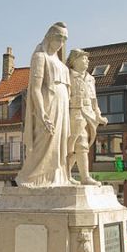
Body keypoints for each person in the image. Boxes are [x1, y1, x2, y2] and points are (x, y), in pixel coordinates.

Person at [16, 22, 71, 187]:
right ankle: (32, 178)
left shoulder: (61, 64)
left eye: (65, 38)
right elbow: (35, 89)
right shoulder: (40, 57)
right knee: (45, 140)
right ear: (49, 37)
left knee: (60, 142)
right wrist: (41, 113)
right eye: (59, 37)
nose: (61, 42)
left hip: (62, 105)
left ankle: (58, 177)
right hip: (49, 103)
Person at [66, 48, 108, 185]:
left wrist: (99, 115)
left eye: (87, 58)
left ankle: (72, 175)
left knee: (83, 145)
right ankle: (81, 177)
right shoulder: (68, 75)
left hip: (89, 113)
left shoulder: (91, 78)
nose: (87, 61)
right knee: (76, 144)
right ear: (74, 60)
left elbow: (94, 99)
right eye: (84, 58)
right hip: (75, 112)